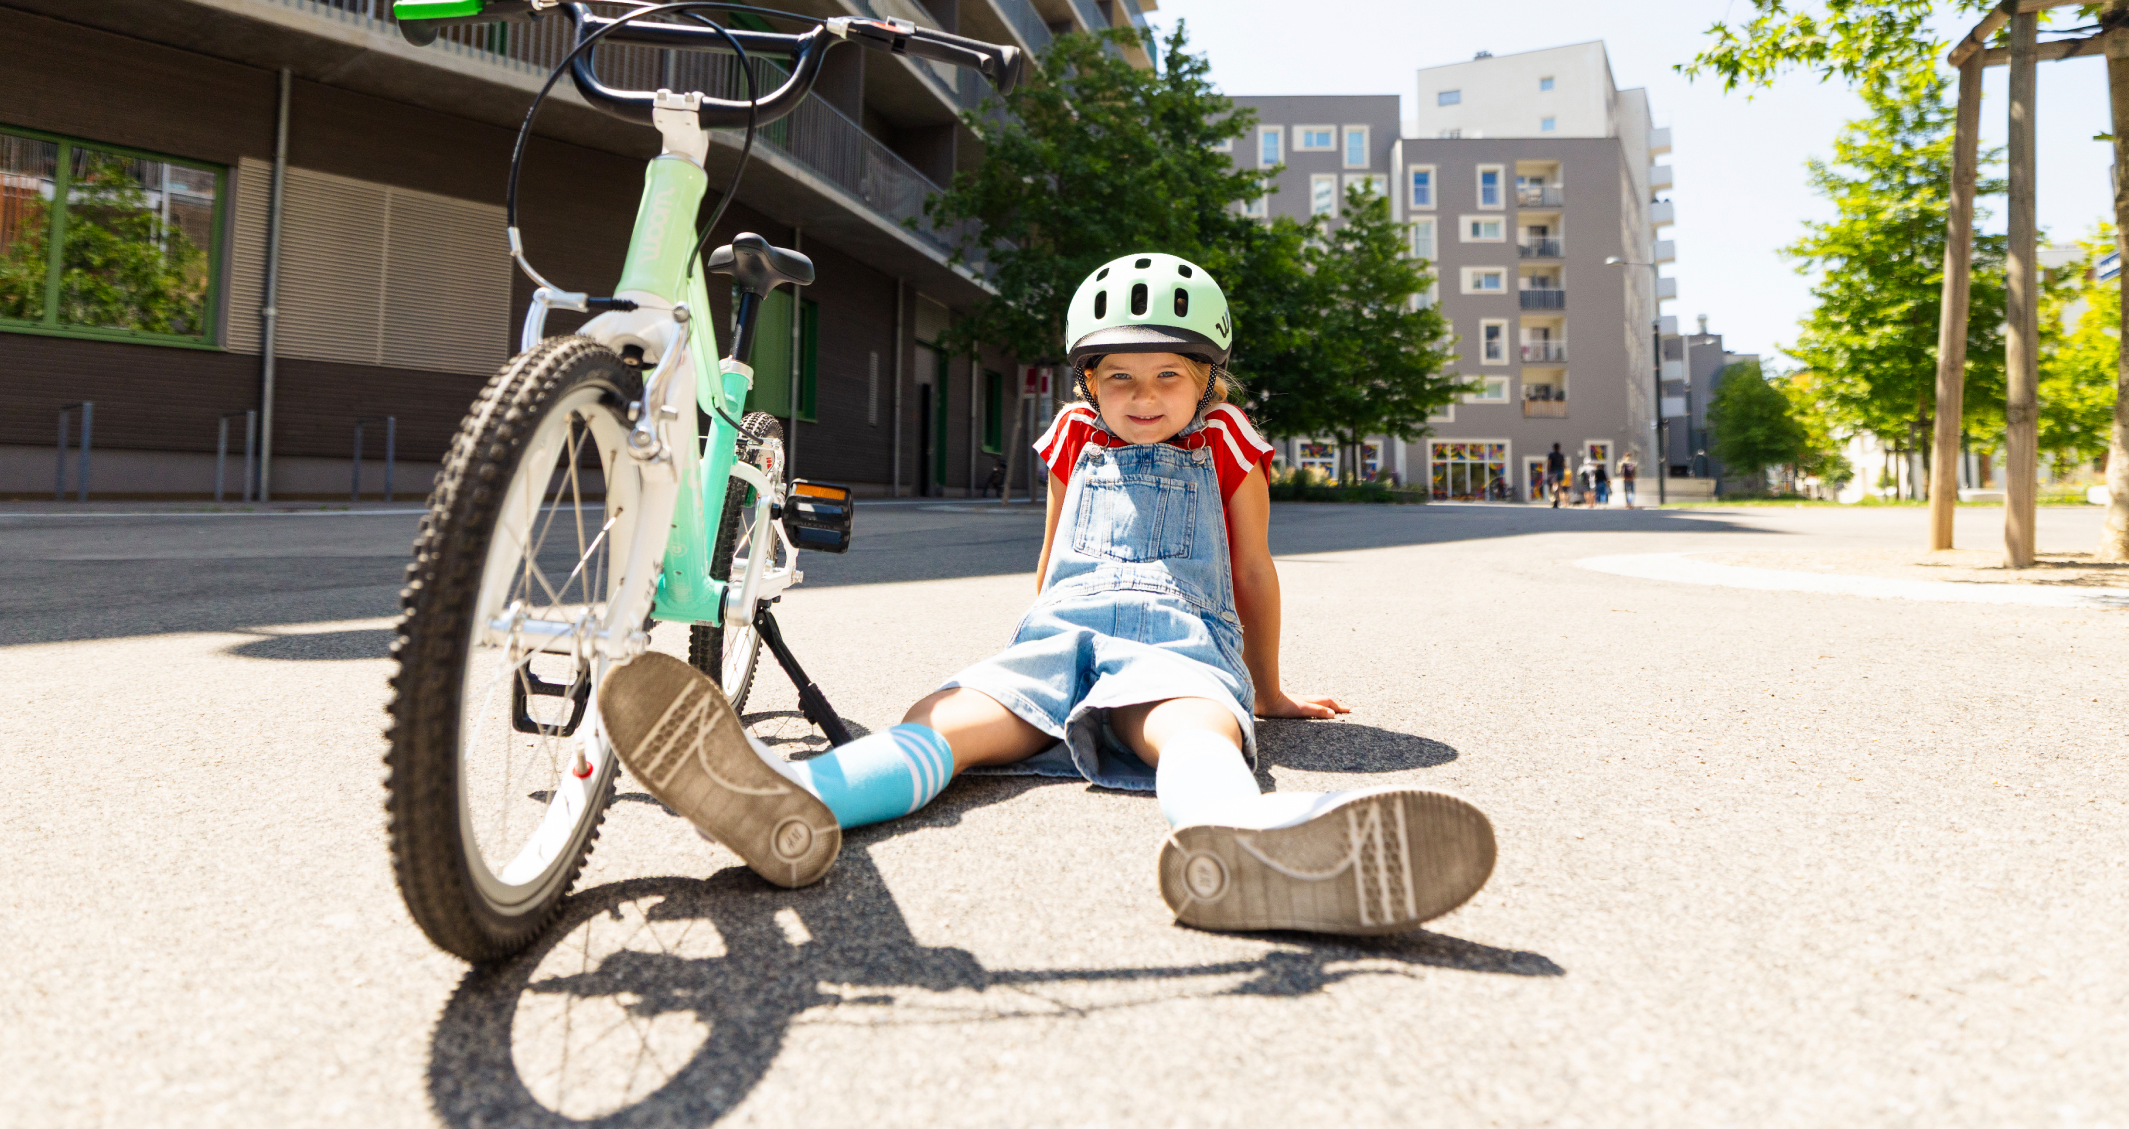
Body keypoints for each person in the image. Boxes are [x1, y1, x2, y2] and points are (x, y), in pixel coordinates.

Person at [599, 253, 1498, 937]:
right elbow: (1054, 548)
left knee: (1190, 728)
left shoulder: (1229, 447)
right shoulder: (1073, 436)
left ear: (1208, 379)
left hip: (1178, 641)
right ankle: (793, 799)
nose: (1142, 398)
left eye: (1167, 378)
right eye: (1119, 378)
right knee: (939, 720)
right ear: (1087, 380)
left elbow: (1254, 573)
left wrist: (1263, 688)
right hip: (1056, 636)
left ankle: (1239, 836)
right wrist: (1017, 654)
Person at [1545, 442, 1565, 509]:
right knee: (1559, 486)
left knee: (1553, 485)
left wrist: (1548, 471)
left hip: (1553, 472)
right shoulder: (1561, 455)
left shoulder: (1551, 455)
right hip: (1560, 472)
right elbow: (1564, 464)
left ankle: (1555, 499)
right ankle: (1557, 499)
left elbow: (1549, 463)